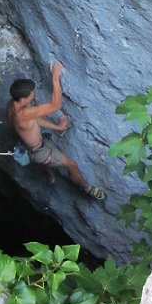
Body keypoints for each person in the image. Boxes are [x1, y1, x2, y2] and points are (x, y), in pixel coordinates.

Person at [6, 60, 106, 201]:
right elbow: (56, 105)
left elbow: (32, 121)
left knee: (45, 156)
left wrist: (57, 127)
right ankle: (88, 189)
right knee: (72, 165)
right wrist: (55, 77)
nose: (34, 96)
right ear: (23, 99)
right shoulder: (23, 114)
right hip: (40, 152)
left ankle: (51, 175)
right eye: (31, 95)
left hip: (32, 147)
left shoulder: (11, 105)